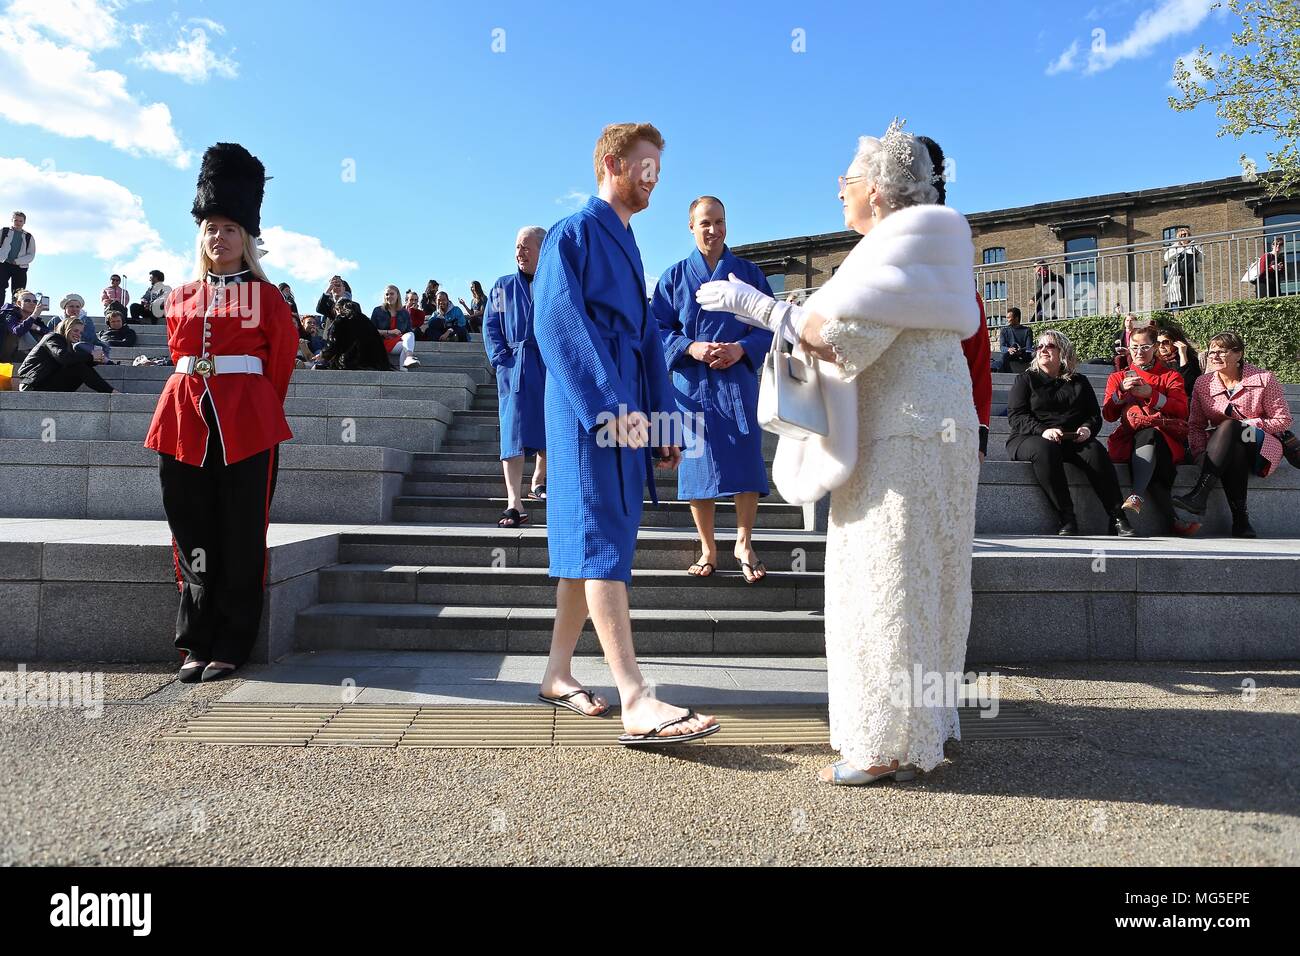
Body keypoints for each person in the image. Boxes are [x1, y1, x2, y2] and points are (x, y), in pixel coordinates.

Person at [698, 118, 982, 784]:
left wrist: (760, 310)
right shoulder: (925, 246)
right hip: (930, 432)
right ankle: (925, 730)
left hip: (902, 439)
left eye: (847, 181)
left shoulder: (897, 246)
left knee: (885, 582)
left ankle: (886, 747)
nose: (839, 191)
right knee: (928, 583)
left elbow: (844, 338)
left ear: (880, 192)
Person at [533, 121, 717, 744]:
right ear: (613, 163)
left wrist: (663, 418)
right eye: (645, 168)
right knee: (601, 533)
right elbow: (557, 323)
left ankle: (558, 671)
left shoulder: (629, 244)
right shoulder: (574, 232)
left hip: (625, 405)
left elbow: (643, 342)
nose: (653, 180)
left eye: (657, 170)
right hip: (593, 409)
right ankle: (635, 696)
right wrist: (611, 405)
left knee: (590, 541)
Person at [144, 142, 298, 684]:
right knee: (192, 532)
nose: (219, 236)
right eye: (211, 227)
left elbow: (278, 366)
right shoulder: (180, 296)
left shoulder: (269, 297)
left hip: (247, 425)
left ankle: (232, 641)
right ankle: (197, 640)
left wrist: (251, 410)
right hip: (183, 421)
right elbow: (177, 356)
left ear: (247, 238)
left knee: (240, 532)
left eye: (230, 227)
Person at [651, 195, 773, 582]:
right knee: (696, 465)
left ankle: (744, 540)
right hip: (692, 384)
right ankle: (707, 547)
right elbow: (656, 329)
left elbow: (769, 324)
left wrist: (742, 349)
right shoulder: (672, 278)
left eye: (719, 222)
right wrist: (692, 347)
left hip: (737, 381)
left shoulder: (748, 274)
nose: (713, 229)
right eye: (705, 222)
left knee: (746, 458)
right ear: (691, 226)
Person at [1007, 329, 1135, 536]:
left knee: (1095, 451)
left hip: (1072, 439)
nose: (1043, 350)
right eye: (1040, 346)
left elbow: (1094, 415)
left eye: (1049, 346)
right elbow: (1016, 416)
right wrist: (1043, 430)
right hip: (1030, 438)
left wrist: (1086, 428)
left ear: (1063, 352)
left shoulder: (1079, 381)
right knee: (1045, 449)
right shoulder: (1025, 380)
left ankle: (1118, 517)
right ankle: (1066, 517)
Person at [1173, 331, 1293, 538]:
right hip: (1226, 447)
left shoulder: (1264, 378)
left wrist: (1248, 423)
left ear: (1238, 354)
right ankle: (1241, 521)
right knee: (1234, 448)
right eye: (1211, 352)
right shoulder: (1203, 383)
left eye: (1221, 352)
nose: (1214, 357)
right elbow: (1195, 425)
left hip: (1260, 444)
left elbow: (1282, 420)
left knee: (1231, 427)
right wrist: (1200, 452)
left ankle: (1200, 495)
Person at [483, 226, 549, 527]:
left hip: (549, 364)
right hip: (516, 364)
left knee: (551, 424)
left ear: (542, 249)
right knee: (513, 432)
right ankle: (514, 502)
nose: (519, 252)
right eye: (517, 247)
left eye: (526, 246)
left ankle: (540, 479)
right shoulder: (502, 287)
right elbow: (491, 325)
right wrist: (501, 359)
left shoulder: (556, 283)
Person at [1101, 324, 1190, 531]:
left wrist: (1152, 395)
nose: (1139, 352)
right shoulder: (1118, 377)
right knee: (1156, 465)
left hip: (1164, 437)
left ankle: (1136, 495)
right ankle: (1173, 521)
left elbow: (1182, 411)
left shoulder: (1170, 376)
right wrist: (1121, 392)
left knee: (1151, 436)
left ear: (1155, 348)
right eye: (1134, 347)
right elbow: (1108, 414)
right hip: (1128, 437)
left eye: (1144, 347)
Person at [16, 316, 115, 393]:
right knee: (78, 367)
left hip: (44, 382)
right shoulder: (53, 338)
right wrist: (92, 356)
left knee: (80, 366)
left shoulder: (68, 346)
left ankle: (112, 392)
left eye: (81, 332)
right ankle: (113, 393)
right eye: (75, 330)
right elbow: (63, 358)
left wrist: (96, 360)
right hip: (32, 385)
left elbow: (73, 361)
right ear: (66, 328)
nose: (78, 334)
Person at [318, 299, 392, 371]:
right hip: (375, 364)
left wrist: (323, 354)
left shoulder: (340, 320)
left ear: (338, 309)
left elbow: (333, 342)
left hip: (349, 362)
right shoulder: (366, 320)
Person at [370, 284, 421, 369]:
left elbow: (408, 330)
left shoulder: (404, 312)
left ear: (397, 295)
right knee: (407, 346)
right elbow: (371, 330)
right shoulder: (378, 310)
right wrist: (389, 332)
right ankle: (408, 359)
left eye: (392, 294)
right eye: (387, 294)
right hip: (383, 342)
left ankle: (407, 362)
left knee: (410, 336)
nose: (389, 296)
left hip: (399, 341)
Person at [0, 288, 54, 362]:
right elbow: (17, 331)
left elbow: (51, 334)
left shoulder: (36, 320)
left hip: (29, 354)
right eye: (27, 300)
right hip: (6, 354)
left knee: (45, 335)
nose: (32, 303)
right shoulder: (10, 314)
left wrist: (36, 327)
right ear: (19, 303)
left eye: (35, 301)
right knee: (21, 330)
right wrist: (34, 315)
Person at [59, 294, 111, 361]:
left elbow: (89, 339)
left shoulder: (86, 320)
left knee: (78, 346)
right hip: (63, 349)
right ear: (65, 307)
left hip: (84, 347)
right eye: (71, 306)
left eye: (77, 307)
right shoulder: (56, 320)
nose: (74, 309)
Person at [1155, 322, 1202, 396]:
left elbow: (1186, 385)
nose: (1161, 346)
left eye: (1166, 342)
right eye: (1158, 342)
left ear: (1176, 342)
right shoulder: (1155, 360)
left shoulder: (1190, 359)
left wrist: (1183, 355)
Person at [1163, 227, 1202, 310]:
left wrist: (1196, 251)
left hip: (1192, 274)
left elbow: (1202, 259)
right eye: (1181, 235)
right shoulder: (1175, 247)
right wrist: (1181, 249)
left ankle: (1188, 309)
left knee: (1191, 295)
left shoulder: (1194, 245)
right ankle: (1182, 309)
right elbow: (1166, 258)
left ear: (1189, 236)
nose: (1183, 237)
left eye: (1185, 235)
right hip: (1178, 275)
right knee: (1179, 297)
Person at [1, 211, 36, 300]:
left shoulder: (28, 236)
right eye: (16, 220)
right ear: (12, 220)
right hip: (3, 264)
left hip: (20, 266)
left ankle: (15, 312)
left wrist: (17, 261)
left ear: (24, 222)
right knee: (0, 287)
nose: (18, 223)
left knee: (19, 292)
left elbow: (31, 254)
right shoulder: (4, 231)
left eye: (21, 221)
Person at [996, 306, 1032, 372]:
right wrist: (1009, 349)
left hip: (1023, 355)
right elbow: (1002, 347)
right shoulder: (1004, 331)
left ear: (1016, 318)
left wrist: (1020, 351)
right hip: (1009, 355)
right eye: (1007, 317)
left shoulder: (1027, 330)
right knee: (1004, 356)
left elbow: (1029, 348)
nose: (1007, 319)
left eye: (1009, 317)